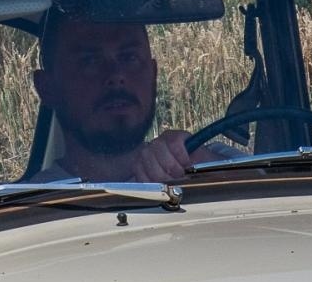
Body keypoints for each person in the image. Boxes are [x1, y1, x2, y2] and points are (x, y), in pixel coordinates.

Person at [31, 9, 221, 183]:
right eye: (90, 61)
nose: (116, 76)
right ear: (47, 88)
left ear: (154, 74)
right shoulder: (26, 211)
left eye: (130, 57)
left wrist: (204, 170)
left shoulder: (211, 161)